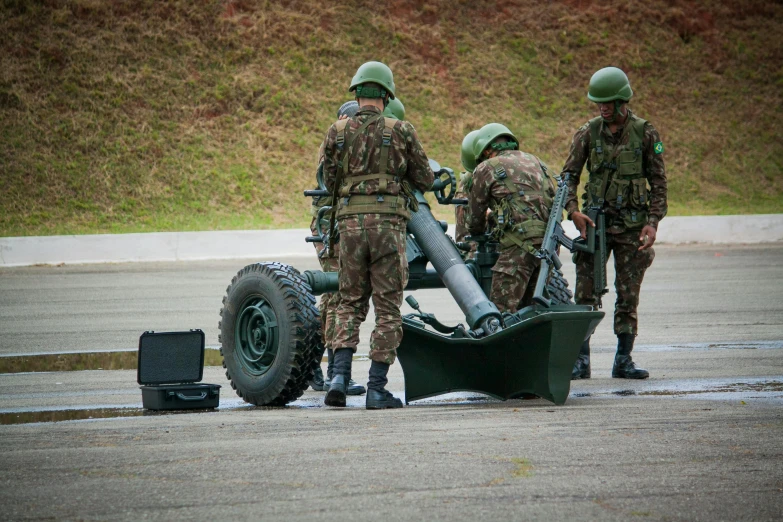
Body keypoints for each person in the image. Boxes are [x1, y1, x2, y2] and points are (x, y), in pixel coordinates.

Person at [321, 61, 433, 409]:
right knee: (387, 309)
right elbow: (425, 179)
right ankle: (376, 388)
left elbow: (328, 179)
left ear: (356, 93)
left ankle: (338, 377)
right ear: (386, 94)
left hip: (350, 228)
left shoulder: (336, 131)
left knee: (349, 302)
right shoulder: (401, 130)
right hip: (388, 229)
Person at [562, 66, 667, 380]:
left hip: (633, 228)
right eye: (599, 103)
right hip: (595, 226)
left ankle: (623, 359)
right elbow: (568, 176)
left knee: (628, 293)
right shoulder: (588, 133)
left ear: (624, 101)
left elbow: (659, 182)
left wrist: (653, 222)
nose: (603, 108)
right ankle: (581, 361)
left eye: (609, 102)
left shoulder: (646, 133)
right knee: (585, 294)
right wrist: (573, 210)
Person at [308, 100, 366, 397]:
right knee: (338, 296)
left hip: (340, 223)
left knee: (335, 298)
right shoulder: (337, 144)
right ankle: (332, 373)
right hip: (330, 224)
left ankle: (313, 365)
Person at [466, 123, 556, 313]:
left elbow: (475, 219)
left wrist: (479, 232)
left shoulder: (486, 168)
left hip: (517, 250)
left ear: (486, 149)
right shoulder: (538, 162)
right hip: (548, 247)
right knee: (534, 312)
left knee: (501, 312)